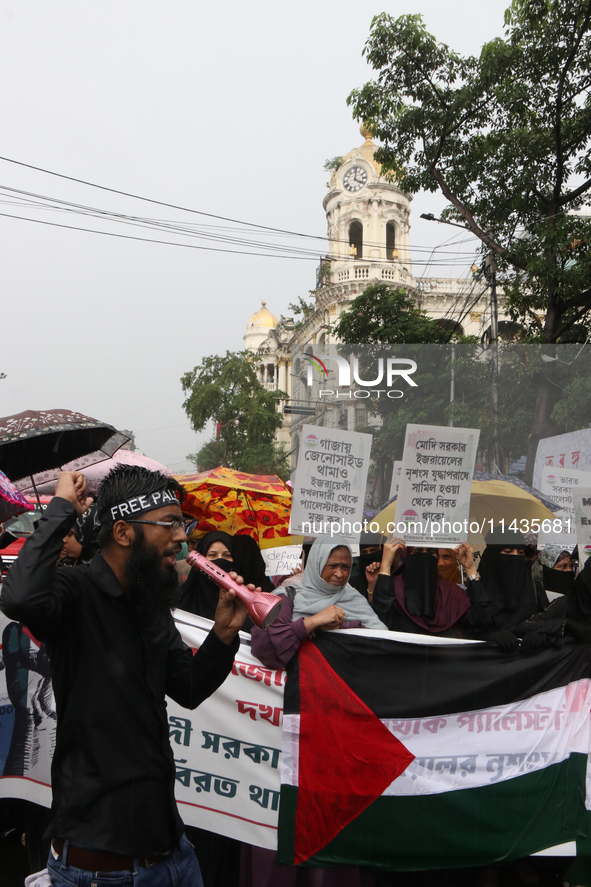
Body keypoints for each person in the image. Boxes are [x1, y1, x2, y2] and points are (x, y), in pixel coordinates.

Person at [0, 466, 250, 887]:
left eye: (182, 523)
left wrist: (223, 635)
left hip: (175, 857)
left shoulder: (150, 603)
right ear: (123, 532)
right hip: (103, 872)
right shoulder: (74, 592)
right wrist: (61, 508)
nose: (181, 537)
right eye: (169, 523)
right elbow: (20, 595)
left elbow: (187, 687)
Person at [251, 533, 387, 670]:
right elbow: (264, 648)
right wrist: (312, 622)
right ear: (317, 563)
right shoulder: (288, 595)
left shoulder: (353, 598)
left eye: (345, 567)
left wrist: (341, 627)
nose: (339, 574)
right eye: (332, 566)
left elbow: (381, 643)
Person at [370, 539, 476, 638]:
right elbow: (378, 622)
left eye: (430, 552)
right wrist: (385, 564)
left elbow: (481, 623)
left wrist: (470, 568)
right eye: (418, 551)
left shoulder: (451, 593)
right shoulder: (393, 588)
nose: (425, 556)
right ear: (407, 555)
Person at [179, 530, 273, 620]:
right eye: (212, 555)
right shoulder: (183, 598)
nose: (220, 560)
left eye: (227, 555)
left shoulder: (240, 604)